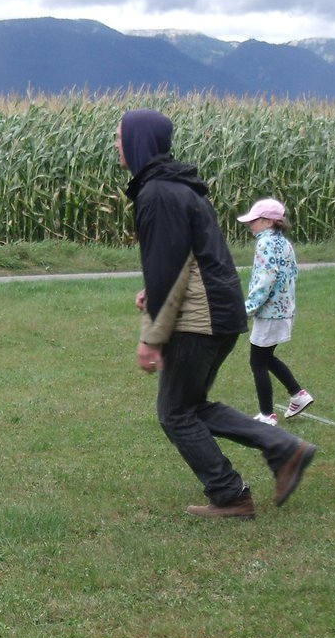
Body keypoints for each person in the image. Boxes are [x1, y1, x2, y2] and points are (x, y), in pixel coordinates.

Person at [118, 108, 316, 518]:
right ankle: (281, 449)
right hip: (219, 312)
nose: (117, 146)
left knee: (175, 414)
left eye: (120, 138)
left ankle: (231, 493)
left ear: (139, 142)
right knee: (191, 406)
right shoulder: (179, 188)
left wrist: (150, 337)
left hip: (199, 318)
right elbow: (188, 259)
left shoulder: (158, 193)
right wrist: (151, 289)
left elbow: (169, 270)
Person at [239, 197, 313, 425]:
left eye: (255, 220)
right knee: (266, 357)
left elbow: (265, 281)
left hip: (270, 313)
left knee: (257, 361)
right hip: (283, 311)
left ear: (269, 222)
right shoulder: (284, 243)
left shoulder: (266, 244)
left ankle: (266, 415)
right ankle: (298, 394)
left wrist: (247, 309)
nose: (250, 224)